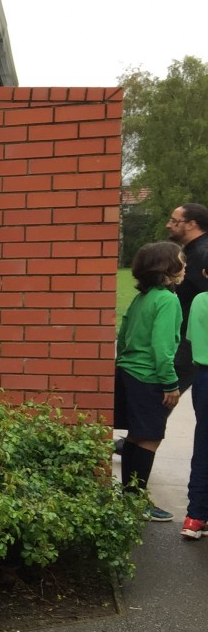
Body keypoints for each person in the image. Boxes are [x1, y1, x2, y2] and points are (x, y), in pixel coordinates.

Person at [116, 241, 185, 522]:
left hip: (128, 372)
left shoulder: (141, 298)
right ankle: (136, 503)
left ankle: (129, 499)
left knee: (136, 435)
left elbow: (122, 335)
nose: (184, 265)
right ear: (167, 267)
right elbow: (162, 347)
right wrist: (170, 384)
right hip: (149, 378)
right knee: (151, 438)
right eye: (180, 260)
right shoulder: (167, 299)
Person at [165, 203, 208, 392]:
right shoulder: (193, 251)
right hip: (190, 338)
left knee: (162, 397)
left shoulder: (200, 254)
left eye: (174, 221)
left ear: (191, 224)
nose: (168, 225)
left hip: (191, 342)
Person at [181, 264, 208, 541]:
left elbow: (191, 337)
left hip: (203, 377)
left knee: (203, 445)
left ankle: (195, 516)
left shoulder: (200, 300)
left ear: (204, 273)